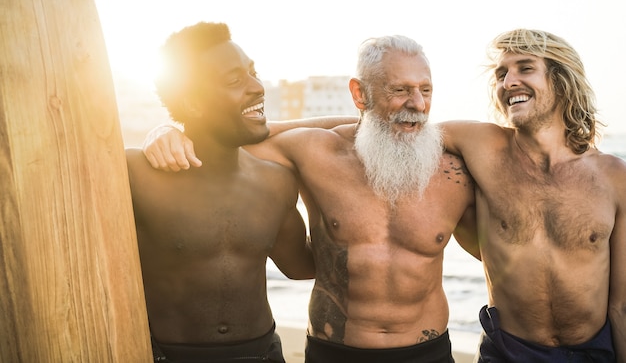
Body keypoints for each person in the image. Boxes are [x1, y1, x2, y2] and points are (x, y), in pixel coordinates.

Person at [144, 35, 477, 362]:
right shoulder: (313, 153)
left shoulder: (454, 170)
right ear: (359, 94)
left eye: (425, 90)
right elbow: (234, 138)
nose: (417, 104)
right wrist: (172, 132)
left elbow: (500, 249)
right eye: (400, 90)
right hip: (333, 351)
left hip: (427, 352)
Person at [125, 21, 316, 363]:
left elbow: (301, 266)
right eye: (234, 80)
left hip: (263, 354)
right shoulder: (136, 175)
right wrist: (162, 129)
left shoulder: (277, 181)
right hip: (169, 356)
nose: (258, 87)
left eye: (252, 72)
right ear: (194, 103)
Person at [441, 29, 625, 362]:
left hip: (593, 353)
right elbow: (398, 131)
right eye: (501, 74)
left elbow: (622, 304)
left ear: (561, 80)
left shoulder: (614, 177)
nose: (508, 82)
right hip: (507, 351)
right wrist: (312, 134)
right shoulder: (480, 146)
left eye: (525, 68)